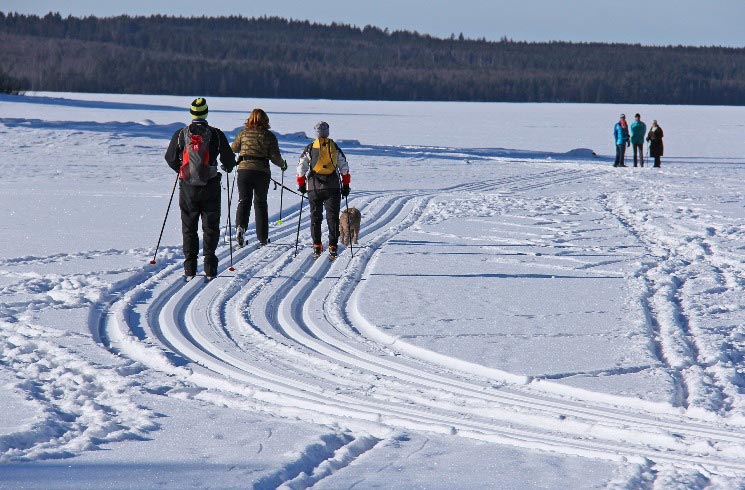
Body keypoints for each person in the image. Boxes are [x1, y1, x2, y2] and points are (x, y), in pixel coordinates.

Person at [165, 98, 236, 281]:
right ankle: (210, 268)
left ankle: (190, 268)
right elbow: (229, 161)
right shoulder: (216, 134)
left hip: (187, 187)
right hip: (211, 186)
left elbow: (170, 158)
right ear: (205, 113)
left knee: (189, 227)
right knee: (210, 227)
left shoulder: (181, 135)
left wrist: (182, 170)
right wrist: (225, 167)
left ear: (191, 113)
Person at [230, 108, 287, 247]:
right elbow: (274, 157)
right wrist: (283, 165)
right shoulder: (269, 136)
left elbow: (234, 148)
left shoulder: (243, 134)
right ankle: (262, 237)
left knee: (244, 200)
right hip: (262, 172)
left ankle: (240, 227)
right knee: (260, 203)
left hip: (244, 171)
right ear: (265, 120)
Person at [296, 121, 351, 260]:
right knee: (332, 217)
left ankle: (316, 245)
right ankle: (332, 246)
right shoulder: (334, 147)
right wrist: (345, 185)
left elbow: (301, 167)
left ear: (316, 133)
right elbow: (344, 167)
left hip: (314, 187)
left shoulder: (310, 148)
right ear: (328, 132)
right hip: (332, 186)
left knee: (315, 217)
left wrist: (301, 184)